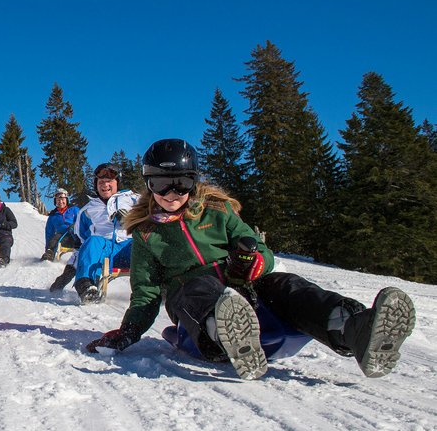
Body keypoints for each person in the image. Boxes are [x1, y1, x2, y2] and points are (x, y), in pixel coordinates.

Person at [85, 138, 417, 380]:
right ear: (147, 185)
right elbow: (146, 293)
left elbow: (265, 255)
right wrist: (129, 331)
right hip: (194, 305)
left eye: (181, 184)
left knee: (285, 284)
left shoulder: (217, 211)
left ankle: (353, 327)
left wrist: (252, 260)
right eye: (161, 184)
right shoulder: (146, 234)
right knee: (197, 286)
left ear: (194, 183)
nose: (172, 194)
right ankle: (227, 334)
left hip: (243, 290)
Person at [70, 163, 140, 303]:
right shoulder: (88, 209)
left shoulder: (135, 199)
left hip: (131, 247)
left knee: (146, 243)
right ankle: (86, 286)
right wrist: (70, 268)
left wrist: (130, 219)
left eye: (109, 181)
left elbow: (152, 219)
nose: (105, 185)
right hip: (104, 249)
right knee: (94, 240)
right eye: (101, 182)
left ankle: (160, 286)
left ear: (117, 183)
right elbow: (82, 239)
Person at [41, 188, 78, 261]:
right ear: (55, 201)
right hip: (63, 238)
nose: (60, 202)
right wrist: (47, 248)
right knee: (55, 238)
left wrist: (75, 225)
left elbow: (82, 221)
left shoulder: (74, 210)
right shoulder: (53, 216)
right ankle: (49, 254)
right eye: (58, 200)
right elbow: (49, 233)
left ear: (66, 200)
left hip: (76, 235)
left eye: (62, 199)